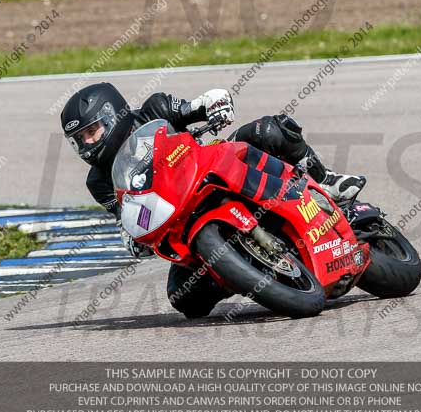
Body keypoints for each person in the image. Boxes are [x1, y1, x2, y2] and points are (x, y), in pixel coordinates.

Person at [61, 82, 366, 318]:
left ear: (112, 114)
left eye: (92, 131)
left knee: (269, 130)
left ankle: (326, 180)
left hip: (213, 172)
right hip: (181, 220)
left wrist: (216, 104)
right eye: (80, 139)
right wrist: (132, 238)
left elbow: (200, 105)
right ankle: (237, 273)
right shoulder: (98, 181)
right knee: (184, 298)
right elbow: (124, 218)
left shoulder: (154, 109)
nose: (88, 143)